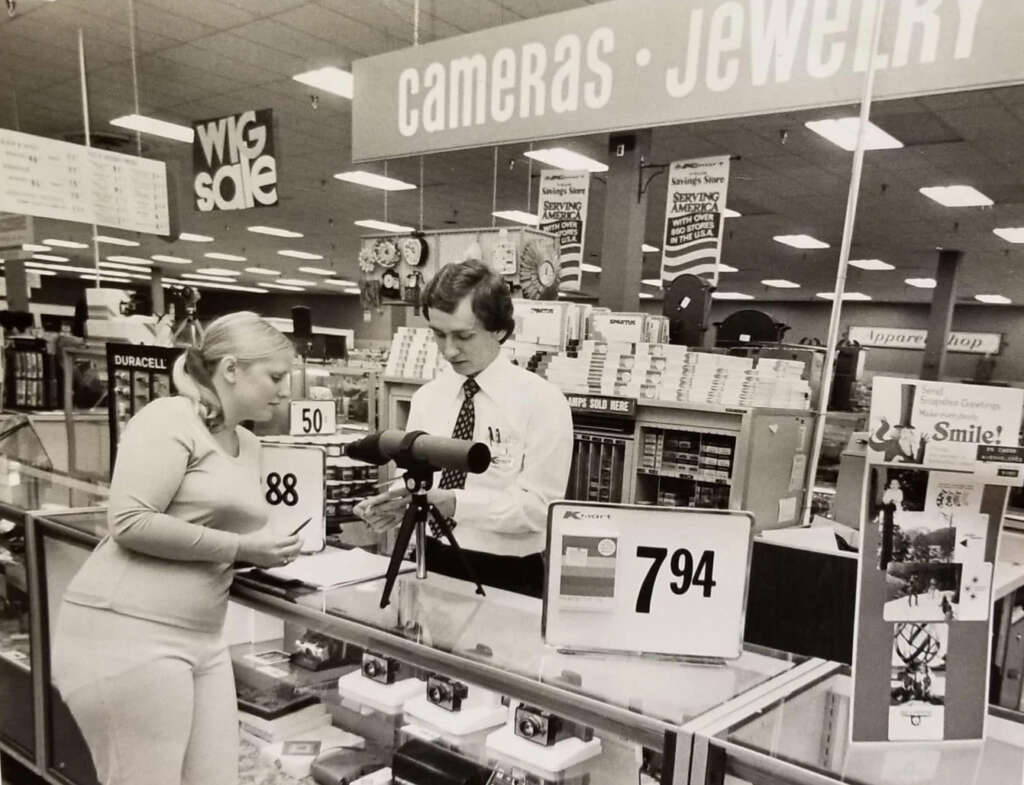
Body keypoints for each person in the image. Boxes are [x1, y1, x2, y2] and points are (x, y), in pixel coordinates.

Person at [51, 312, 302, 785]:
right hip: (125, 633)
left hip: (202, 639)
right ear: (231, 369)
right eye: (275, 376)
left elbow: (208, 530)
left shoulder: (247, 443)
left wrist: (273, 552)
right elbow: (130, 520)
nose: (285, 389)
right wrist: (245, 548)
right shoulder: (170, 417)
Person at [355, 260, 573, 598]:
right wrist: (397, 503)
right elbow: (421, 476)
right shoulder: (429, 396)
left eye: (464, 336)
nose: (448, 350)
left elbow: (541, 509)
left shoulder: (543, 402)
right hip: (431, 559)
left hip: (507, 573)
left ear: (499, 329)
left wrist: (455, 504)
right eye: (438, 334)